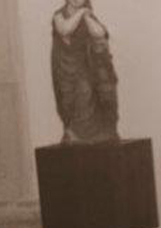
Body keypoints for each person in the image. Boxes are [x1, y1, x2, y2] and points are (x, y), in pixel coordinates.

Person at [51, 0, 118, 143]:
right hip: (66, 69)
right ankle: (75, 133)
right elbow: (64, 29)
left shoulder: (88, 15)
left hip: (85, 66)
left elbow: (99, 33)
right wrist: (81, 12)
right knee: (71, 99)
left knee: (87, 92)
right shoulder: (59, 15)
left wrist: (87, 16)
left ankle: (93, 133)